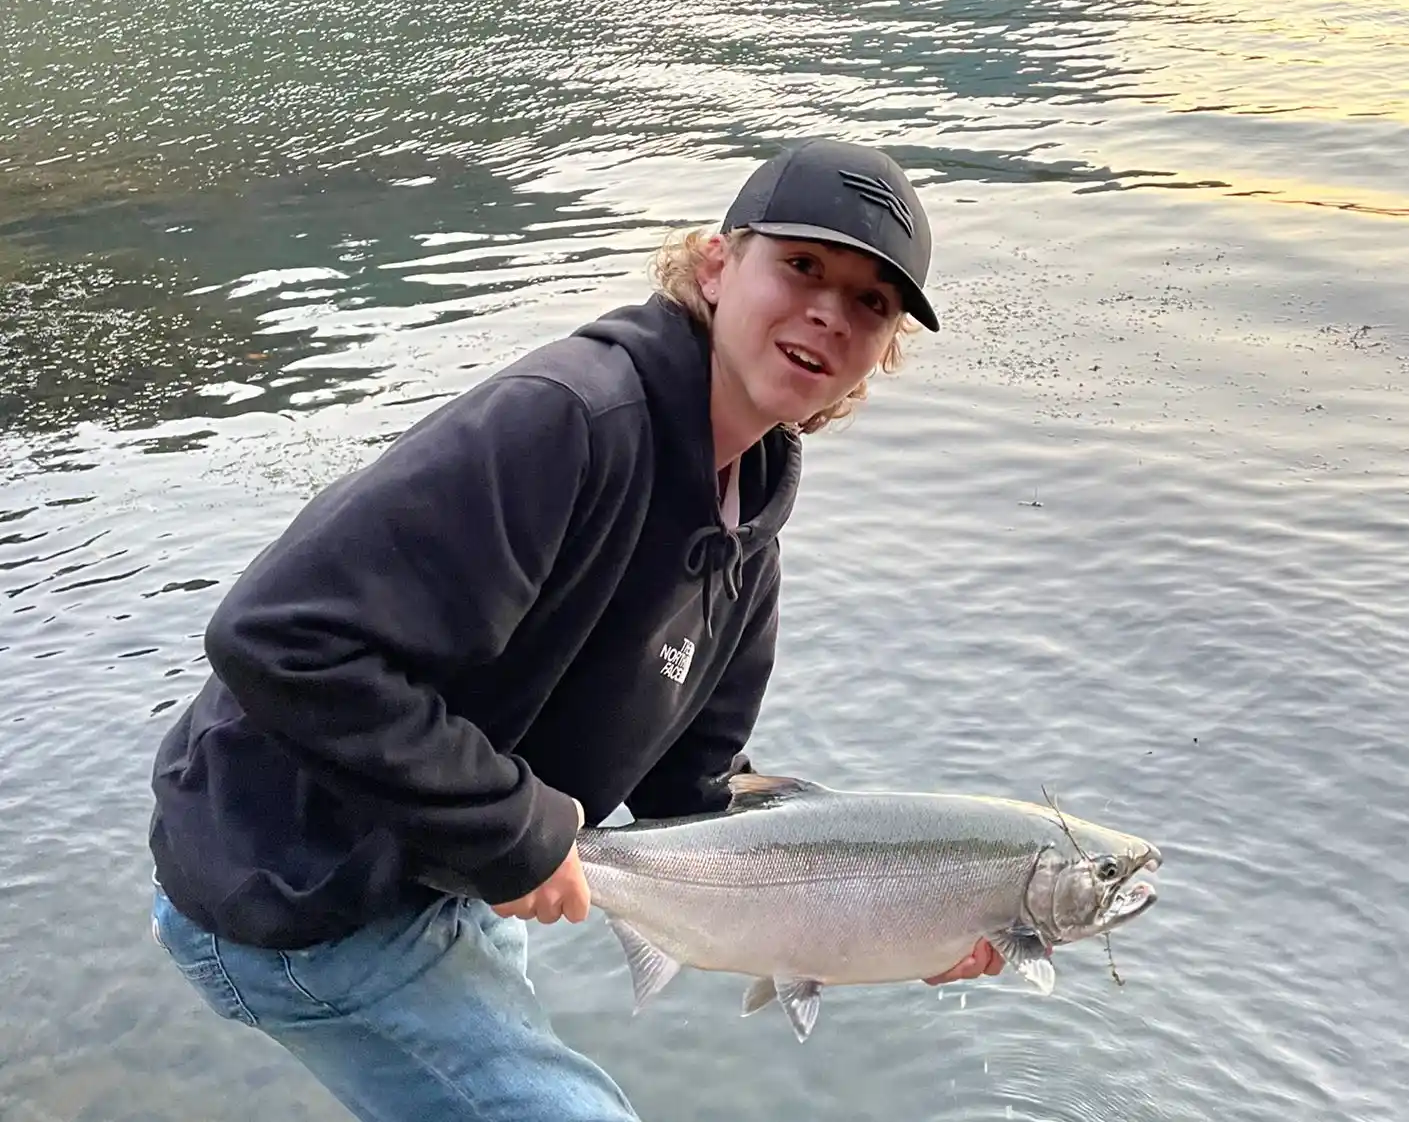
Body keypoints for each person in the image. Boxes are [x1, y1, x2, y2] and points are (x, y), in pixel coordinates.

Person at [146, 140, 1004, 1122]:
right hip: (289, 890)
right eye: (803, 266)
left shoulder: (748, 544)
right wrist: (517, 831)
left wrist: (914, 925)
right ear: (717, 265)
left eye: (872, 303)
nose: (830, 312)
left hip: (437, 880)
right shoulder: (568, 422)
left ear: (880, 353)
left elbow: (694, 803)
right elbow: (275, 640)